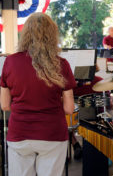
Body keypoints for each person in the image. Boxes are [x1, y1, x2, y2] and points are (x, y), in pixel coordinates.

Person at [0, 13, 76, 176]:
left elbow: (5, 105)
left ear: (25, 34)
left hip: (20, 133)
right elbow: (69, 108)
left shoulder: (10, 62)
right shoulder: (61, 64)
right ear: (52, 35)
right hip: (52, 133)